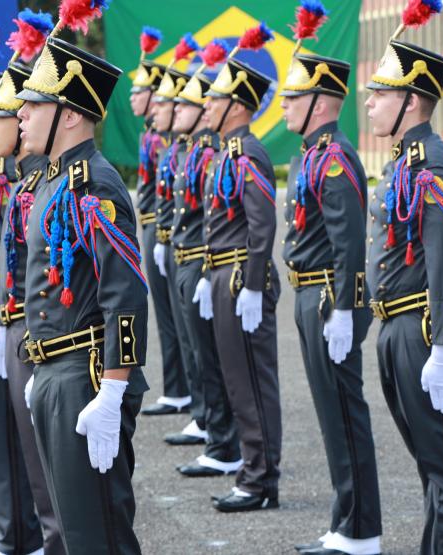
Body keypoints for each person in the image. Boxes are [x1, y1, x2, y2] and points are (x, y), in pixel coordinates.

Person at [16, 23, 149, 554]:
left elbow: (126, 294)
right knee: (70, 532)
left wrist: (114, 388)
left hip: (87, 377)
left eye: (35, 104)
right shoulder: (51, 180)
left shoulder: (94, 183)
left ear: (70, 114)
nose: (21, 114)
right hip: (56, 370)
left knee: (98, 533)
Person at [364, 13, 443, 550]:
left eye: (380, 94)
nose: (369, 103)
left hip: (422, 331)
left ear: (410, 100)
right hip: (398, 330)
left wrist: (442, 343)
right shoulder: (403, 164)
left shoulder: (433, 165)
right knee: (434, 472)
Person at [280, 17, 383, 551]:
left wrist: (345, 307)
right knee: (330, 413)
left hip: (327, 299)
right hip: (309, 294)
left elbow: (349, 246)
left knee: (344, 412)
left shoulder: (336, 160)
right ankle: (346, 521)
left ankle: (361, 530)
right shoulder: (312, 155)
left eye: (293, 96)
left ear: (321, 102)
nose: (283, 104)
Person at [0, 10, 63, 553]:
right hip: (16, 327)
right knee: (34, 468)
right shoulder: (23, 182)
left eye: (7, 115)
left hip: (48, 341)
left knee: (60, 484)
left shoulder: (58, 186)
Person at [201, 24, 283, 512]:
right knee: (238, 381)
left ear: (236, 105)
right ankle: (253, 470)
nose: (207, 106)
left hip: (239, 280)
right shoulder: (225, 154)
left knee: (252, 382)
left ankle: (261, 479)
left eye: (215, 99)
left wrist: (252, 285)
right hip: (224, 276)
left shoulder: (247, 152)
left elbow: (261, 224)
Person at [168, 38, 243, 476]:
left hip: (201, 262)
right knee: (198, 355)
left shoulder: (214, 155)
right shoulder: (195, 153)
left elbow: (221, 218)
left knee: (211, 360)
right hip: (186, 259)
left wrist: (205, 265)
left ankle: (222, 443)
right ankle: (211, 429)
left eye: (185, 107)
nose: (177, 112)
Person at [149, 35, 209, 445]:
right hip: (172, 244)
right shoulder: (175, 149)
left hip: (194, 254)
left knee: (202, 346)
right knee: (183, 335)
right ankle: (201, 411)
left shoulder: (202, 153)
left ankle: (210, 420)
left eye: (172, 104)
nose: (153, 107)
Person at [129, 26, 191, 416]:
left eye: (140, 91)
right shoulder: (150, 135)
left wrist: (161, 232)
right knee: (166, 315)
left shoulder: (166, 139)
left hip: (164, 227)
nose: (134, 98)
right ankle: (178, 386)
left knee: (175, 315)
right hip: (153, 224)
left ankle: (182, 387)